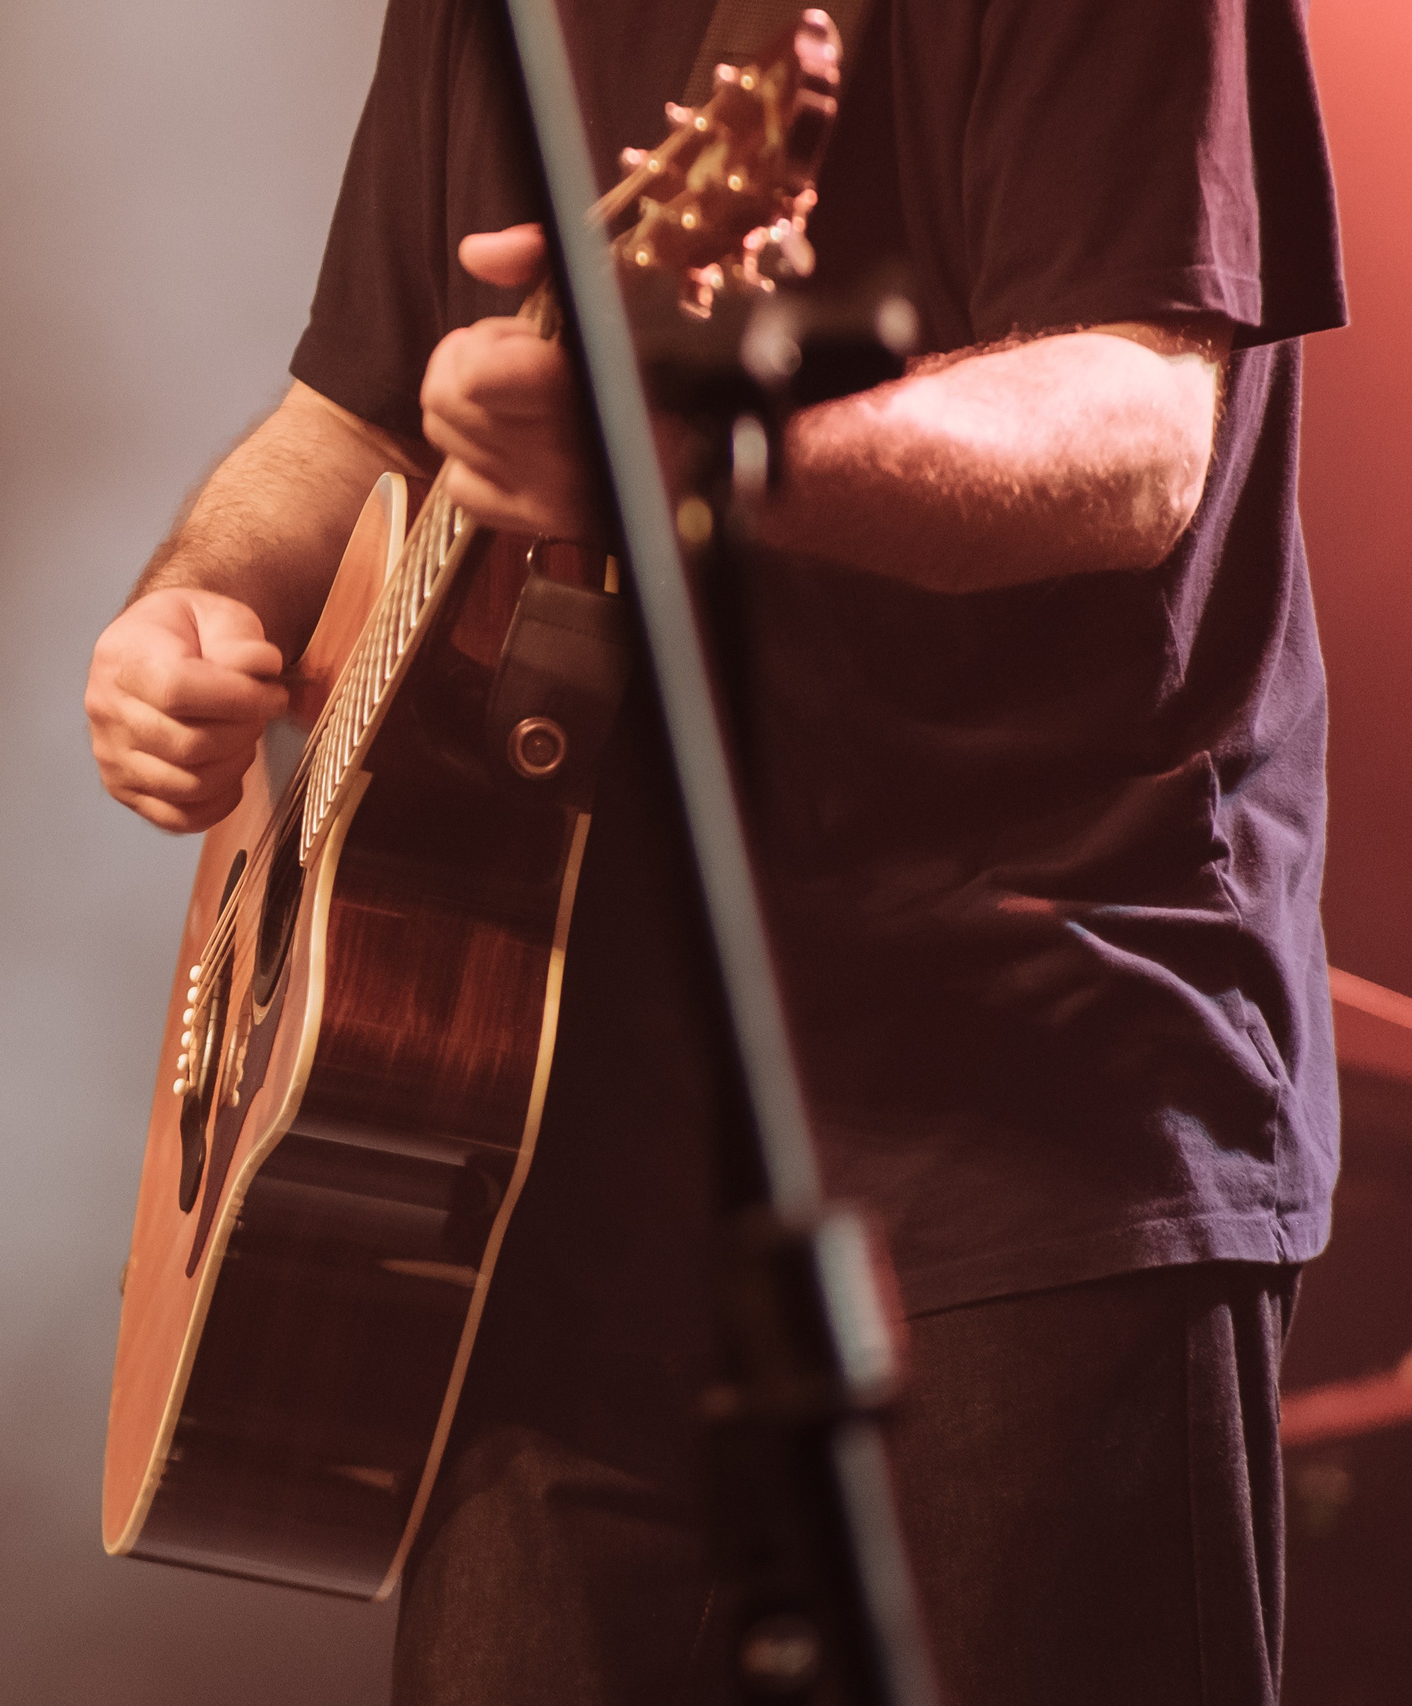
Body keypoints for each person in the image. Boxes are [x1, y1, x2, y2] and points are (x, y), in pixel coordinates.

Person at [82, 2, 1345, 1701]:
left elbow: (1132, 432)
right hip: (545, 1139)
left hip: (1026, 1097)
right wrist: (195, 601)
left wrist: (706, 456)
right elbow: (356, 410)